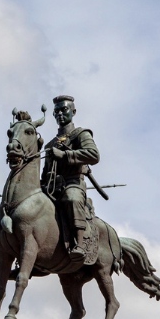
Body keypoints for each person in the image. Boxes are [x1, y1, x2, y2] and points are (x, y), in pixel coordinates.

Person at [41, 95, 100, 262]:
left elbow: (94, 155)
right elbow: (46, 172)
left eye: (64, 110)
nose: (60, 114)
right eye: (56, 111)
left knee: (71, 199)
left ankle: (79, 244)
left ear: (73, 111)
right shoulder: (50, 144)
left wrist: (65, 154)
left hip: (73, 183)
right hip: (53, 188)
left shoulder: (81, 134)